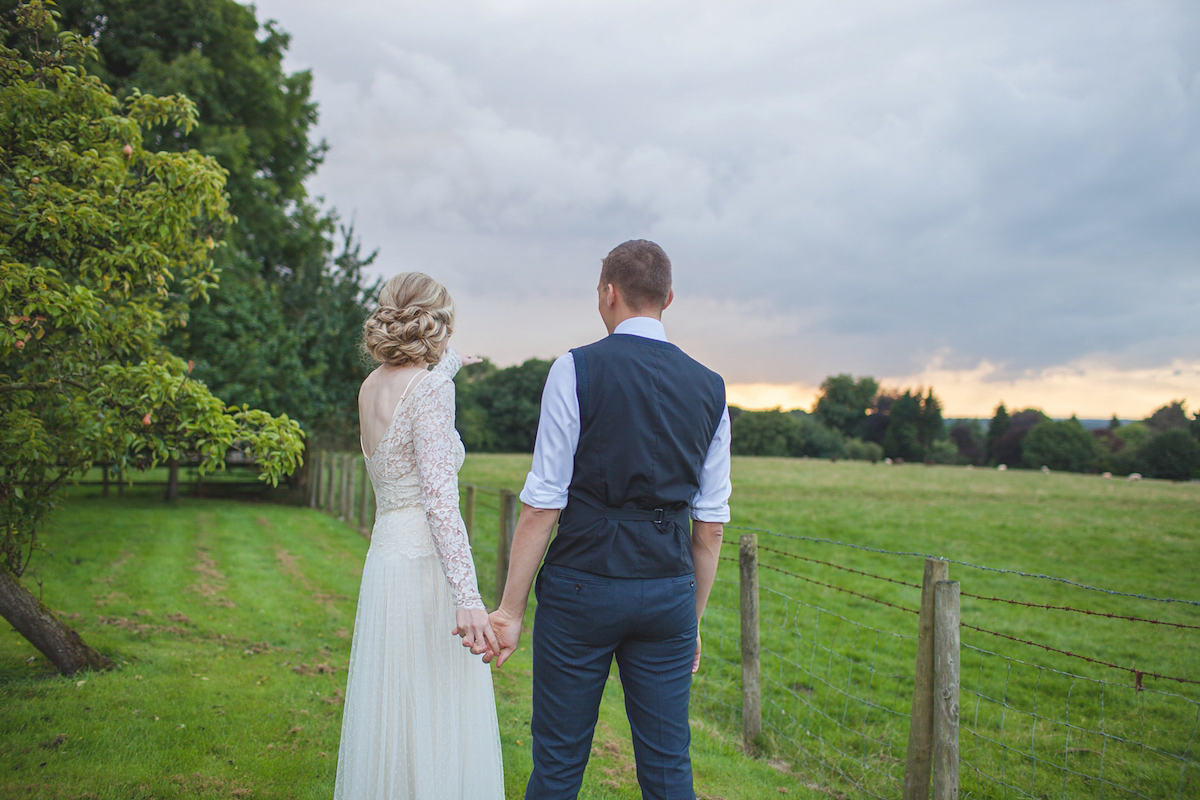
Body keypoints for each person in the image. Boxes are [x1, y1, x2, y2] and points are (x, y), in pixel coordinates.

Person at [486, 240, 732, 800]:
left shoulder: (575, 368)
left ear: (608, 293)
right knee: (669, 767)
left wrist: (510, 609)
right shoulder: (712, 387)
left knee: (557, 763)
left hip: (581, 587)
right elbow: (711, 524)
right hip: (668, 590)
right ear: (668, 298)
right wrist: (689, 620)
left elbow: (543, 502)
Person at [333, 272, 504, 800]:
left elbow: (414, 395)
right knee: (435, 705)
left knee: (396, 705)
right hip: (427, 566)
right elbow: (439, 502)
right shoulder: (430, 390)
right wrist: (469, 598)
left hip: (386, 559)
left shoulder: (371, 386)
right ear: (437, 322)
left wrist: (453, 365)